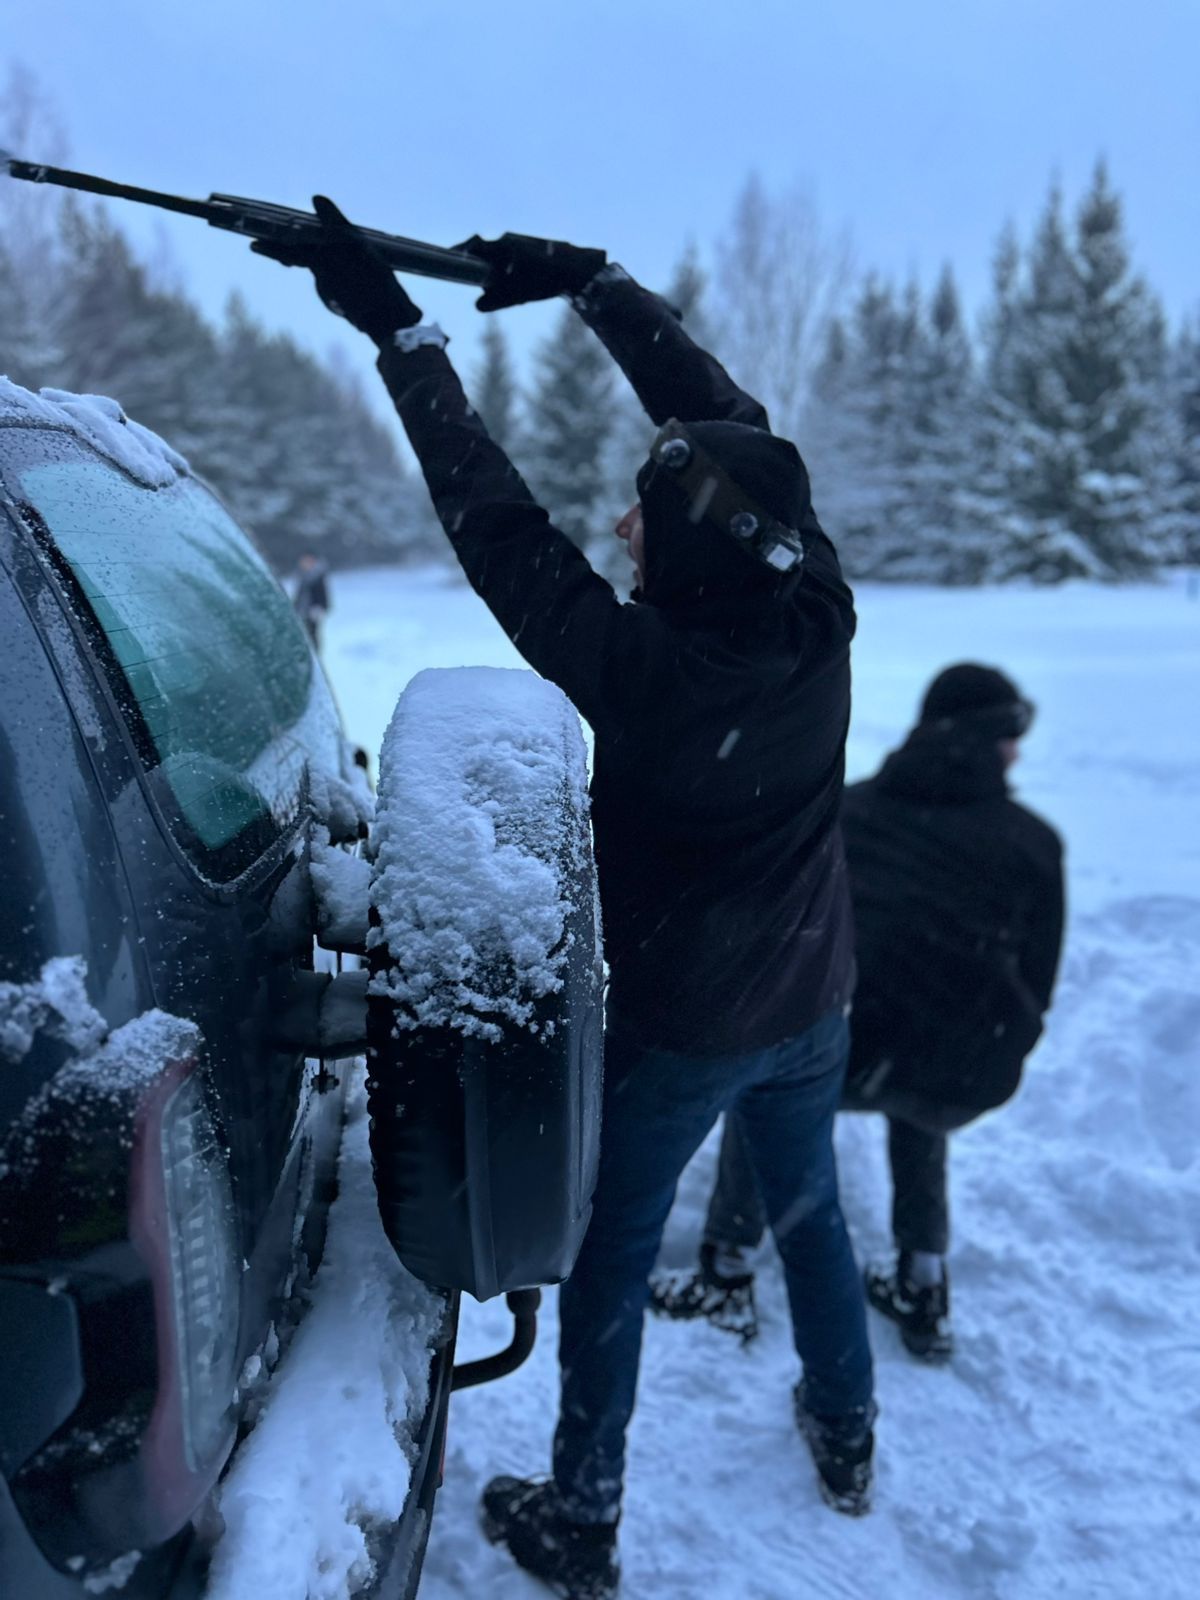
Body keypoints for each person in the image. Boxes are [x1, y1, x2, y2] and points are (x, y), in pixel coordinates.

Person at [252, 199, 875, 1599]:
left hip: (686, 1031)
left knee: (605, 1268)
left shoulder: (651, 676)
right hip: (815, 991)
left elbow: (497, 524)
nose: (619, 529)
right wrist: (601, 288)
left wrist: (404, 334)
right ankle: (847, 1426)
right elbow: (744, 435)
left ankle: (583, 1520)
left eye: (644, 521)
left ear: (686, 555)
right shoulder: (813, 606)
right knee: (813, 1214)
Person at [654, 664, 1065, 1363]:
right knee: (931, 1064)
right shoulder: (1031, 841)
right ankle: (922, 1281)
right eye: (1012, 734)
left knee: (767, 1074)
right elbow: (1039, 981)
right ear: (993, 739)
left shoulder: (848, 809)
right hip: (956, 1074)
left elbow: (781, 929)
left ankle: (725, 1268)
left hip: (837, 1048)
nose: (1019, 751)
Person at [292, 551, 330, 649]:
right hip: (301, 610)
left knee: (312, 634)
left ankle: (315, 654)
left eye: (308, 561)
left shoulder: (317, 576)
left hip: (313, 611)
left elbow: (323, 595)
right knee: (304, 635)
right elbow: (299, 595)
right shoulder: (301, 576)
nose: (305, 563)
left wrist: (321, 607)